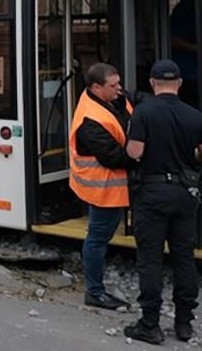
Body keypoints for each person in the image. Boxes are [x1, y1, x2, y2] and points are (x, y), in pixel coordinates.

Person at [122, 59, 202, 345]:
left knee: (150, 260)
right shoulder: (195, 116)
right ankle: (184, 323)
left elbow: (135, 152)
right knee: (183, 257)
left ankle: (150, 324)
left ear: (152, 83)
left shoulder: (143, 112)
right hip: (185, 195)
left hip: (152, 194)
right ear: (179, 83)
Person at [69, 62, 136, 310]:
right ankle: (94, 292)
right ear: (96, 88)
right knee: (97, 238)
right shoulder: (90, 121)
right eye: (114, 85)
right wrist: (142, 150)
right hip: (103, 191)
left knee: (99, 237)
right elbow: (115, 157)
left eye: (119, 83)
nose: (120, 89)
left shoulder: (112, 99)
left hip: (115, 188)